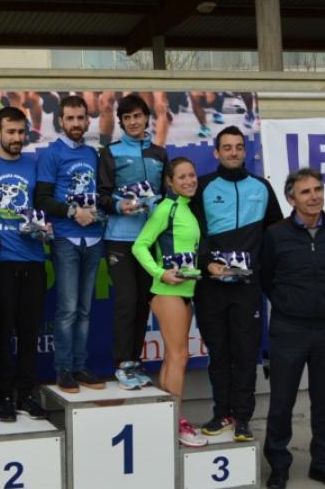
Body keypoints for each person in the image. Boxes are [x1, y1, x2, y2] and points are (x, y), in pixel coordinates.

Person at [261, 168, 325, 489]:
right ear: (292, 199)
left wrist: (324, 302)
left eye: (317, 189)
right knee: (281, 403)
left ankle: (323, 464)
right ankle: (278, 465)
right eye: (305, 192)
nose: (314, 196)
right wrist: (293, 302)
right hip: (288, 329)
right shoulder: (276, 235)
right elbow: (266, 279)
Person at [190, 125, 282, 442]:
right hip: (211, 287)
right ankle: (222, 414)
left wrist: (267, 274)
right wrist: (206, 264)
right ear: (216, 152)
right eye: (226, 147)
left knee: (245, 354)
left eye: (238, 147)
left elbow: (276, 236)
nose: (233, 152)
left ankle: (242, 419)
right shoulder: (202, 187)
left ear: (245, 151)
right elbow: (190, 235)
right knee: (219, 355)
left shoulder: (262, 188)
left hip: (247, 290)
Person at [0, 106, 50, 421]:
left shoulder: (36, 166)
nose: (17, 138)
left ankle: (26, 395)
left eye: (21, 132)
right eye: (11, 132)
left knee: (30, 334)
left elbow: (46, 210)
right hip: (0, 264)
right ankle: (3, 396)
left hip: (34, 260)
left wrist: (46, 229)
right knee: (3, 335)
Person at [132, 157, 207, 447]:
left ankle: (166, 419)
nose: (189, 181)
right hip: (167, 293)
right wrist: (161, 273)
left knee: (172, 356)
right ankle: (177, 423)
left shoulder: (188, 208)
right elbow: (140, 245)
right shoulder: (167, 208)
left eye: (192, 175)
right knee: (180, 356)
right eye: (182, 177)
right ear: (170, 182)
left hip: (186, 292)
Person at [35, 95, 107, 393]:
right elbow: (42, 199)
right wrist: (72, 212)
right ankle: (64, 369)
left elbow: (102, 195)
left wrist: (96, 214)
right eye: (70, 118)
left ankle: (79, 366)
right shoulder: (52, 154)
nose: (76, 123)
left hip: (94, 240)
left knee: (85, 309)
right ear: (61, 121)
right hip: (65, 238)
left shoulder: (95, 154)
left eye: (80, 118)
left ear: (87, 120)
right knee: (67, 309)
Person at [97, 93, 168, 390]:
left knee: (142, 302)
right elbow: (101, 195)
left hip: (149, 240)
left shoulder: (159, 153)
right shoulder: (110, 153)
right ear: (122, 122)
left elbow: (166, 194)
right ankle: (122, 364)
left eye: (137, 116)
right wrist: (120, 205)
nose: (133, 122)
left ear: (146, 118)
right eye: (127, 118)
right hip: (119, 239)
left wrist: (157, 202)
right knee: (126, 301)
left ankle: (134, 362)